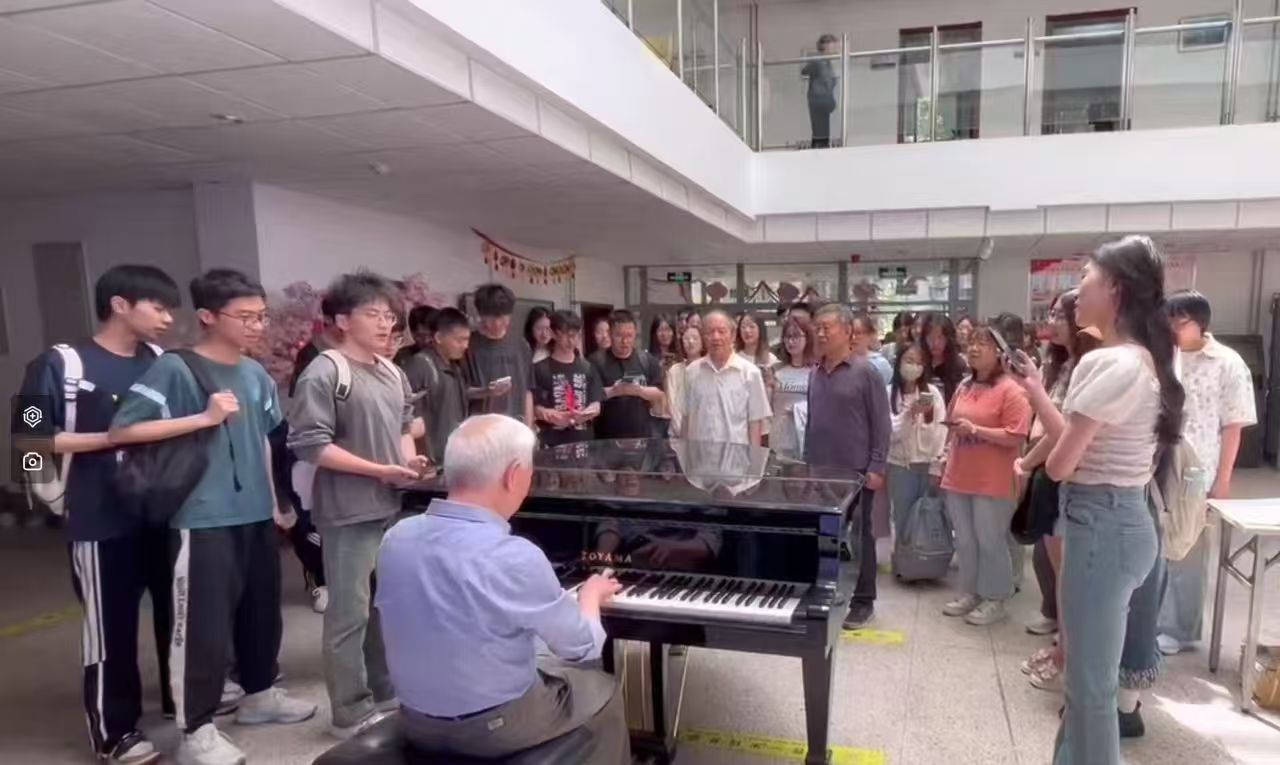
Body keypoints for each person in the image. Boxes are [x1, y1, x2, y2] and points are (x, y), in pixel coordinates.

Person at [111, 269, 316, 765]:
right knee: (196, 628)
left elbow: (265, 441)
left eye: (261, 316)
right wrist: (38, 479)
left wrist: (275, 504)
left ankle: (260, 693)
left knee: (260, 613)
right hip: (188, 518)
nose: (257, 326)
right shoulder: (168, 369)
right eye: (245, 317)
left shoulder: (255, 374)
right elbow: (119, 431)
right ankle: (188, 729)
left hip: (253, 514)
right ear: (207, 316)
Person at [1011, 235, 1183, 765]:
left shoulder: (1108, 363)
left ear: (1115, 289)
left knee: (1089, 693)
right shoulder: (1145, 359)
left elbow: (1061, 464)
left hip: (1100, 528)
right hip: (1126, 521)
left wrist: (1039, 441)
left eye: (1085, 278)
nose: (1076, 290)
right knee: (1089, 685)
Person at [376, 415, 629, 763]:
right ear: (514, 474)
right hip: (493, 728)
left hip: (414, 721)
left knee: (537, 653)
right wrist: (589, 596)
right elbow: (582, 648)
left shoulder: (395, 538)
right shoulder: (514, 556)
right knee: (602, 685)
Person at [14, 265, 180, 765]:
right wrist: (51, 498)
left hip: (161, 513)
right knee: (110, 627)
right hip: (98, 517)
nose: (168, 319)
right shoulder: (59, 365)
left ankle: (180, 701)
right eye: (158, 307)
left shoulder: (161, 362)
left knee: (177, 614)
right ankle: (115, 732)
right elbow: (27, 441)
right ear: (120, 305)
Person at [287, 272, 430, 740]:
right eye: (374, 314)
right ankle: (349, 712)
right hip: (348, 511)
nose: (386, 324)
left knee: (385, 606)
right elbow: (311, 444)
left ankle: (384, 693)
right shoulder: (326, 371)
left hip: (390, 505)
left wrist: (408, 462)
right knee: (349, 614)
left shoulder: (391, 370)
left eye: (390, 315)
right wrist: (377, 470)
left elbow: (405, 426)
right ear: (343, 320)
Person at [1157, 290, 1256, 656]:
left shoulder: (1227, 363)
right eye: (1167, 321)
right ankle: (1157, 618)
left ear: (1200, 324)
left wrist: (1223, 481)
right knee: (1159, 542)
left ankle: (1180, 628)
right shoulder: (1165, 356)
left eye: (1178, 322)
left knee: (1189, 548)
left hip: (1198, 468)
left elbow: (1233, 426)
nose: (1171, 328)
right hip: (1161, 459)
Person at [1020, 290, 1092, 690]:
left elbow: (1061, 432)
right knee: (1060, 572)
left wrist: (1026, 463)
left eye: (1062, 315)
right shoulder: (1062, 364)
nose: (1054, 322)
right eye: (1052, 315)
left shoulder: (1091, 367)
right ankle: (1063, 645)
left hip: (1074, 479)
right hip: (1051, 474)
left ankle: (1068, 655)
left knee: (1071, 575)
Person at [939, 318, 1032, 627]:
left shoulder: (1011, 389)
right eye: (972, 343)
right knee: (965, 541)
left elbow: (1016, 435)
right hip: (959, 474)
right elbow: (952, 422)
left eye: (983, 344)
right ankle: (970, 592)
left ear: (1000, 352)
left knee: (990, 540)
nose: (974, 349)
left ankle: (996, 597)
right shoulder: (964, 386)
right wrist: (946, 450)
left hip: (994, 479)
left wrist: (977, 430)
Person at [806, 305, 891, 629]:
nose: (821, 333)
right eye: (818, 327)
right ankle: (826, 592)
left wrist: (877, 466)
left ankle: (863, 601)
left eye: (827, 327)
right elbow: (812, 423)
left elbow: (881, 424)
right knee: (825, 538)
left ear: (847, 331)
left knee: (862, 538)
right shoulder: (815, 372)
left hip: (858, 472)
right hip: (822, 471)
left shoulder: (866, 372)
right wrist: (807, 464)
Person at [677, 311, 772, 446]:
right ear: (704, 336)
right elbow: (686, 419)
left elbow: (755, 425)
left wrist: (754, 458)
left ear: (732, 335)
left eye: (721, 331)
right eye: (710, 332)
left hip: (737, 457)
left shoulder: (750, 373)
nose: (716, 337)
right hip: (699, 455)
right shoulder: (692, 371)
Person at [886, 342, 947, 540]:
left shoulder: (932, 393)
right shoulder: (888, 393)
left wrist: (936, 466)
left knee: (929, 516)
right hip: (900, 466)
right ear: (899, 362)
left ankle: (928, 555)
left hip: (928, 465)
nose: (914, 367)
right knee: (903, 519)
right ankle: (903, 555)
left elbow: (941, 430)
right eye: (909, 361)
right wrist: (909, 414)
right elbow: (890, 433)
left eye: (919, 363)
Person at [401, 307, 471, 465]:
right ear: (438, 337)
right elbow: (406, 416)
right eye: (459, 340)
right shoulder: (420, 365)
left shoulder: (455, 366)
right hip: (429, 461)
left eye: (467, 340)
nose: (465, 345)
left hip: (452, 456)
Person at [532, 311, 604, 447]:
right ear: (553, 333)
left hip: (584, 442)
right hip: (552, 443)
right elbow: (534, 406)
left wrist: (584, 414)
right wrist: (552, 415)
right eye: (565, 335)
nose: (571, 341)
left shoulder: (588, 368)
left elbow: (596, 404)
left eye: (575, 335)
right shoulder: (539, 369)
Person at [464, 284, 533, 426]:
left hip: (516, 426)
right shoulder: (467, 346)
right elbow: (461, 392)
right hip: (481, 427)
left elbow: (527, 391)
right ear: (480, 314)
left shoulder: (521, 345)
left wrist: (529, 428)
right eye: (490, 318)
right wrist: (487, 391)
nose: (497, 323)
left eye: (502, 317)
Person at [590, 310, 665, 440]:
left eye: (629, 335)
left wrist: (639, 391)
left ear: (635, 333)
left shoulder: (646, 360)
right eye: (619, 335)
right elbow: (590, 395)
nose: (625, 341)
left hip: (641, 436)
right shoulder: (596, 361)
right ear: (610, 334)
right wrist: (615, 391)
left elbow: (659, 393)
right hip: (606, 438)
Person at [768, 316, 816, 457]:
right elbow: (768, 407)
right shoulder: (775, 370)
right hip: (779, 439)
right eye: (787, 337)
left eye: (796, 337)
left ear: (808, 338)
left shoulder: (817, 371)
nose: (791, 341)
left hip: (807, 439)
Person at [666, 325, 705, 439]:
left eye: (695, 338)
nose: (691, 342)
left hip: (703, 434)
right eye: (687, 339)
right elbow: (672, 403)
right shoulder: (675, 370)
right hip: (677, 434)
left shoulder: (707, 369)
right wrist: (681, 431)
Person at [919, 312, 966, 404]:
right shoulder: (920, 363)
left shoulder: (958, 365)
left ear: (948, 339)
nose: (935, 343)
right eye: (931, 337)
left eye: (940, 338)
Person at [801, 34, 839, 149]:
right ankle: (817, 153)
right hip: (818, 101)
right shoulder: (818, 61)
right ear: (825, 47)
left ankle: (820, 151)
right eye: (833, 47)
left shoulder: (828, 63)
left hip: (823, 102)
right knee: (820, 134)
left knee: (822, 134)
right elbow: (804, 71)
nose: (834, 49)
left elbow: (830, 83)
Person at [648, 313, 679, 438]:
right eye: (661, 330)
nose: (665, 334)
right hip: (656, 415)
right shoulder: (648, 358)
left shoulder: (680, 358)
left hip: (677, 414)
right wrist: (658, 368)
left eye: (668, 330)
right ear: (654, 333)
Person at [851, 314, 893, 385]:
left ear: (869, 335)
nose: (853, 337)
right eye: (850, 333)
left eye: (858, 333)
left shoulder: (880, 363)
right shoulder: (841, 361)